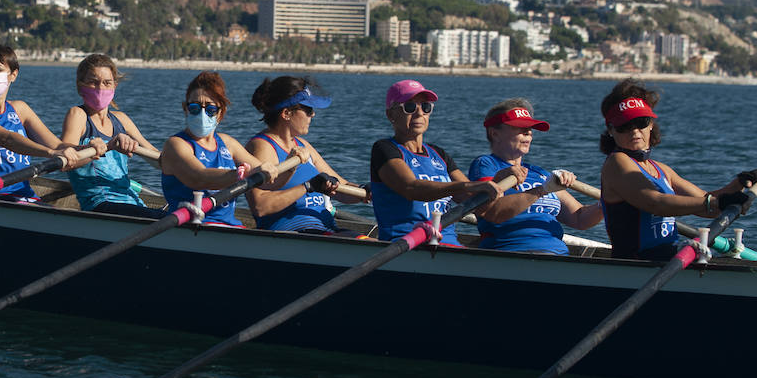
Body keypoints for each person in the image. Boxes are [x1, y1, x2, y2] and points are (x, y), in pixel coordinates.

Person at [598, 79, 757, 261]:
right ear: (611, 130)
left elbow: (707, 207)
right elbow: (656, 203)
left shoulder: (661, 169)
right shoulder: (617, 163)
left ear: (650, 124)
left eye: (640, 122)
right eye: (624, 126)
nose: (634, 132)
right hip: (636, 262)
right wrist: (716, 202)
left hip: (665, 256)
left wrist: (740, 183)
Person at [368, 79, 505, 246]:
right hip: (404, 244)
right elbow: (412, 189)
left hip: (447, 244)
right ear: (391, 115)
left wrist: (501, 178)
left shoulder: (439, 154)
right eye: (410, 107)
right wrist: (469, 185)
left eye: (425, 107)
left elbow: (476, 202)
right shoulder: (384, 149)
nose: (419, 114)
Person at [0, 43, 94, 201]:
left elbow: (58, 146)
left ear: (13, 75)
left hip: (23, 193)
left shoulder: (20, 109)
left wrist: (88, 149)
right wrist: (51, 154)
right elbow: (5, 139)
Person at [468, 98, 605, 254]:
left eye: (530, 128)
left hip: (557, 254)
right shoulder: (486, 165)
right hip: (512, 251)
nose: (528, 132)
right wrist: (542, 190)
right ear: (495, 133)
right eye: (520, 127)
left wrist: (605, 203)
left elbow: (579, 218)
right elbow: (492, 212)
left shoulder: (539, 173)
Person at [245, 76, 367, 235]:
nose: (313, 114)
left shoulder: (303, 145)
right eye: (308, 109)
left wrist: (365, 191)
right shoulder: (263, 146)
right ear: (287, 113)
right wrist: (307, 187)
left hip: (325, 231)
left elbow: (342, 190)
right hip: (293, 234)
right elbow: (261, 206)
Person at [159, 71, 279, 227]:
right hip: (192, 226)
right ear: (185, 108)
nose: (202, 114)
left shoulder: (228, 143)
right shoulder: (176, 144)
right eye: (194, 108)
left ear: (221, 113)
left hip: (229, 225)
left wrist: (291, 166)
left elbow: (271, 182)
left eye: (210, 109)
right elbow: (200, 178)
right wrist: (243, 174)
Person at [61, 54, 166, 219]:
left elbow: (158, 158)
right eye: (93, 82)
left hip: (132, 201)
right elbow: (67, 161)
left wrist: (188, 164)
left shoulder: (121, 119)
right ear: (80, 86)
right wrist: (108, 146)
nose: (100, 88)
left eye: (106, 83)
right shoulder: (78, 115)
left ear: (114, 86)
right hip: (100, 204)